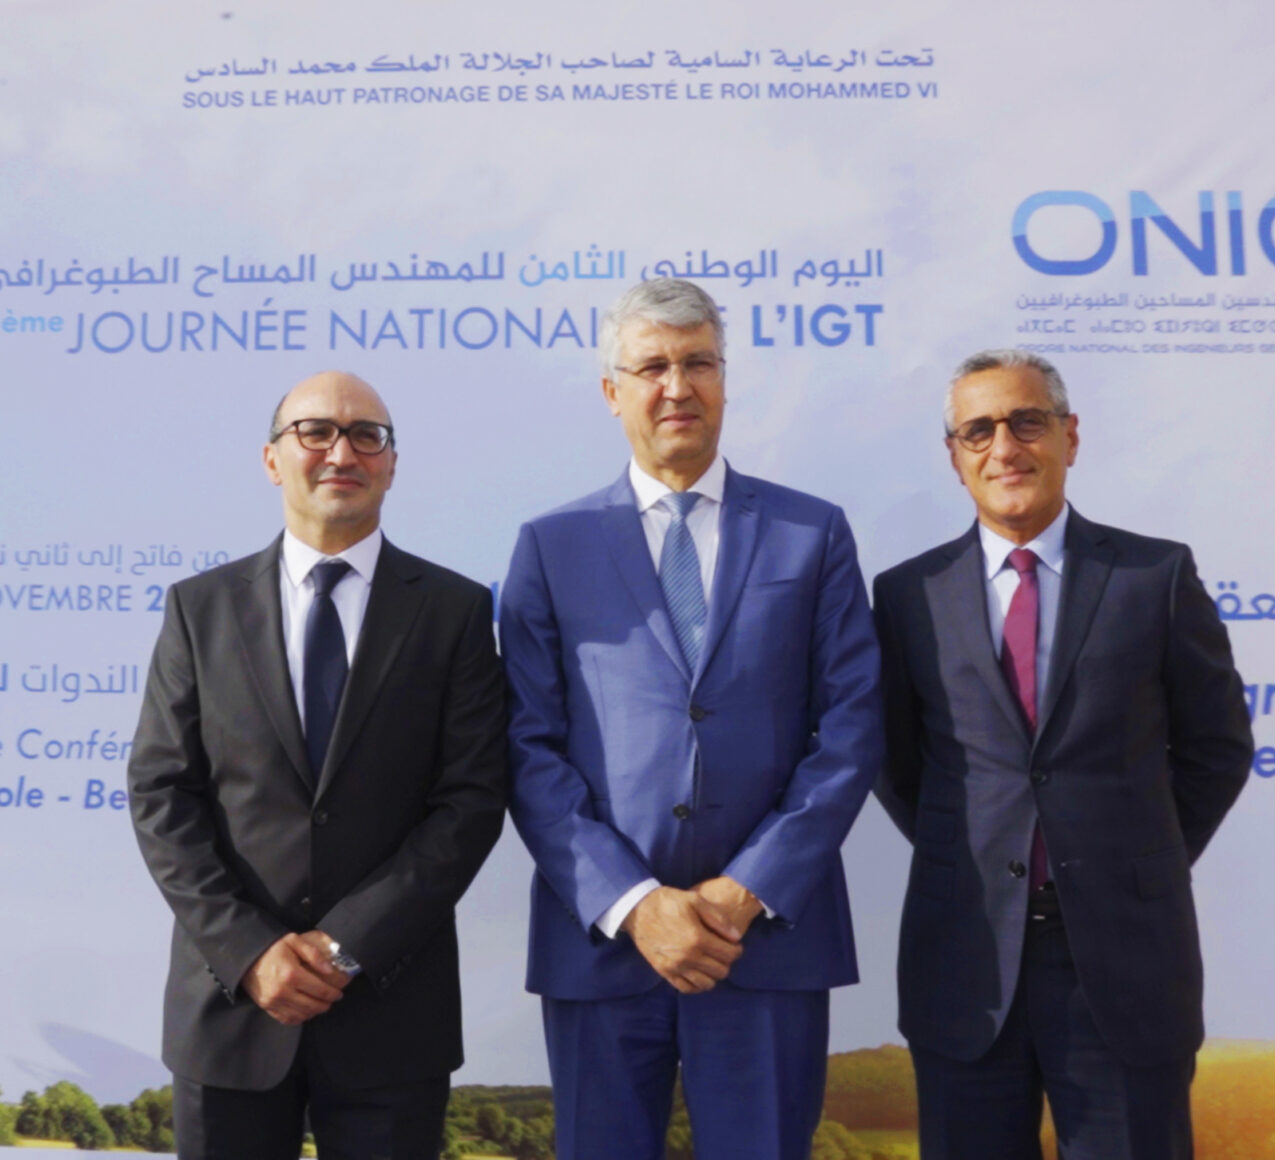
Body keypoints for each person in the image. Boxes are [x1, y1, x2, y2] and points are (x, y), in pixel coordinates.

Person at [499, 278, 883, 1160]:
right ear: (613, 391)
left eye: (698, 363)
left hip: (765, 942)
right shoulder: (549, 546)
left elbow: (851, 727)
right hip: (604, 945)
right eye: (653, 367)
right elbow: (525, 745)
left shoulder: (811, 533)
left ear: (724, 379)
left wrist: (744, 891)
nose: (678, 386)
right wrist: (636, 906)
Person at [871, 349, 1253, 1160]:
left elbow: (1217, 748)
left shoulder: (1154, 575)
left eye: (1027, 422)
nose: (1004, 447)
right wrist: (978, 855)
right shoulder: (906, 596)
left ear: (1070, 437)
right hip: (967, 962)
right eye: (978, 431)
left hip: (1125, 964)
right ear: (955, 457)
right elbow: (897, 763)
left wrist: (1132, 858)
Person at [126, 370, 506, 1160]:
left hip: (392, 1016)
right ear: (272, 459)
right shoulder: (200, 608)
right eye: (316, 432)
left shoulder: (455, 611)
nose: (342, 452)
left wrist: (346, 945)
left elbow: (470, 801)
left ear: (392, 465)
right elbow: (163, 792)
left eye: (367, 435)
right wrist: (251, 952)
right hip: (231, 1010)